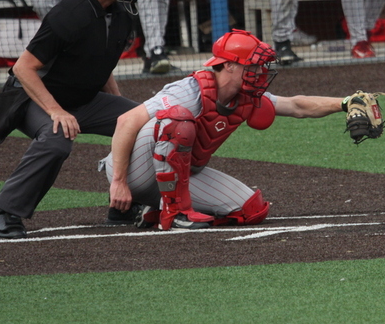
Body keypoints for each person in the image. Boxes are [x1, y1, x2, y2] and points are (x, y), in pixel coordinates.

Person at [100, 29, 360, 230]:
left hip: (174, 177)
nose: (260, 72)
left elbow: (296, 106)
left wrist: (346, 103)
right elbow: (126, 121)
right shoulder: (188, 91)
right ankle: (175, 214)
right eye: (253, 66)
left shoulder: (245, 96)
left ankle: (155, 209)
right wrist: (119, 182)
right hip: (135, 168)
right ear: (229, 65)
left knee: (252, 210)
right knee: (177, 121)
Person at [0, 0, 144, 240]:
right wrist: (56, 111)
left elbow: (100, 63)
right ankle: (4, 212)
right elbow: (23, 68)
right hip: (31, 98)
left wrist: (125, 113)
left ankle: (125, 204)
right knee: (58, 138)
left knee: (145, 123)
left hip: (82, 98)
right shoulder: (69, 13)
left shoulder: (123, 10)